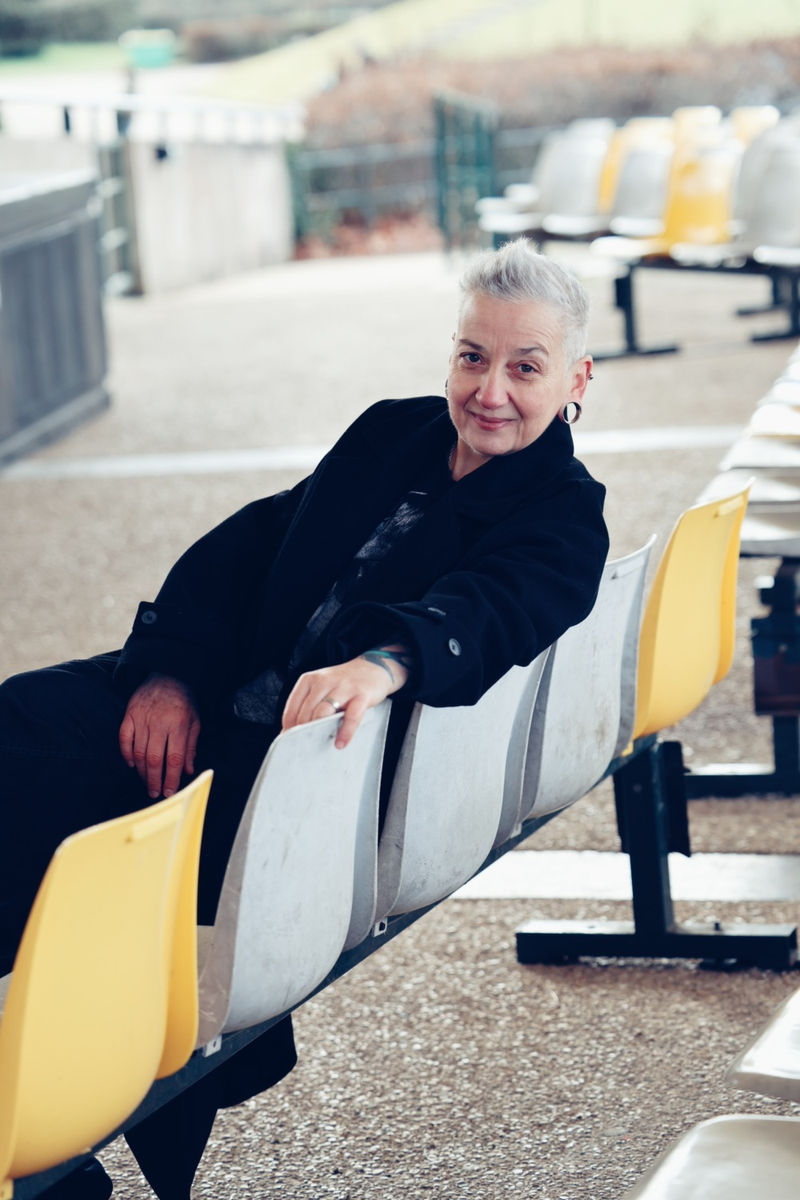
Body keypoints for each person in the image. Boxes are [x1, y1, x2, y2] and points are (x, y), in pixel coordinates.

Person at [0, 238, 609, 1200]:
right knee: (18, 727)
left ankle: (49, 1141)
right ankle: (35, 1121)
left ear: (576, 379)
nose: (490, 390)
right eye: (472, 356)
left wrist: (383, 662)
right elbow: (252, 543)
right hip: (218, 695)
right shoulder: (393, 432)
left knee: (89, 867)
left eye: (525, 368)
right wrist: (170, 671)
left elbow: (496, 607)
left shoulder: (566, 515)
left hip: (294, 772)